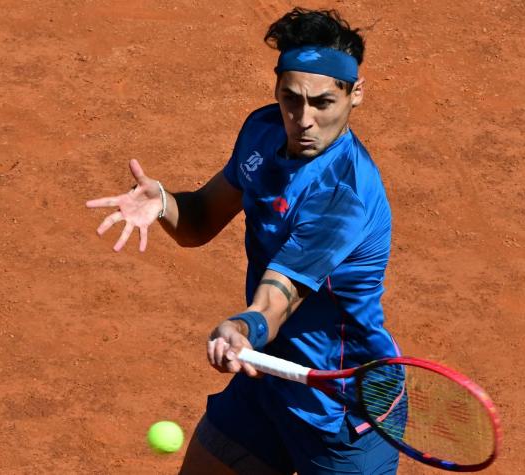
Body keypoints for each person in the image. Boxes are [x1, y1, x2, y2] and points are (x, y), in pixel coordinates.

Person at [87, 7, 400, 475]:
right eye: (291, 99)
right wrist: (166, 203)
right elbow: (199, 219)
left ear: (355, 95)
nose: (304, 119)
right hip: (267, 377)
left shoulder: (342, 197)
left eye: (322, 103)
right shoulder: (263, 131)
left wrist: (241, 328)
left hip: (339, 407)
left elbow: (278, 300)